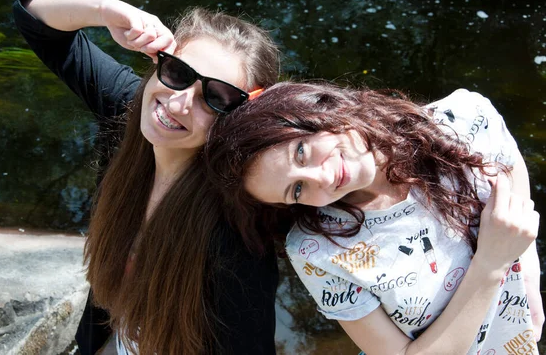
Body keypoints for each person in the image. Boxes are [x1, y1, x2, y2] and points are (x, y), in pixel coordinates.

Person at [13, 0, 280, 354]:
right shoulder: (127, 110)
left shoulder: (238, 233)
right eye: (178, 72)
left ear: (238, 117)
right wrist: (107, 10)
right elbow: (36, 18)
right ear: (159, 63)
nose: (180, 102)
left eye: (215, 98)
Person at [204, 82, 543, 354]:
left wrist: (527, 276)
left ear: (315, 107)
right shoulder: (318, 251)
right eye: (297, 190)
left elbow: (511, 177)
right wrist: (491, 264)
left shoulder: (468, 116)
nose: (321, 179)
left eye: (301, 151)